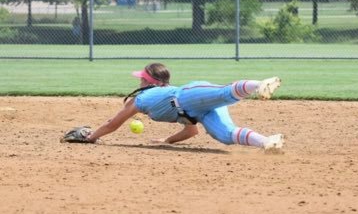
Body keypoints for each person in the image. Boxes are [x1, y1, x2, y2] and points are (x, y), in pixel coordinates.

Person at [86, 62, 284, 151]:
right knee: (225, 135)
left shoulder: (141, 98)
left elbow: (113, 124)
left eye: (142, 78)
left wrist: (91, 137)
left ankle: (260, 85)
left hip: (188, 95)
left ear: (152, 82)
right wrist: (167, 140)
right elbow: (191, 131)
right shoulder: (152, 96)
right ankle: (267, 142)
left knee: (224, 93)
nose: (140, 82)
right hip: (194, 112)